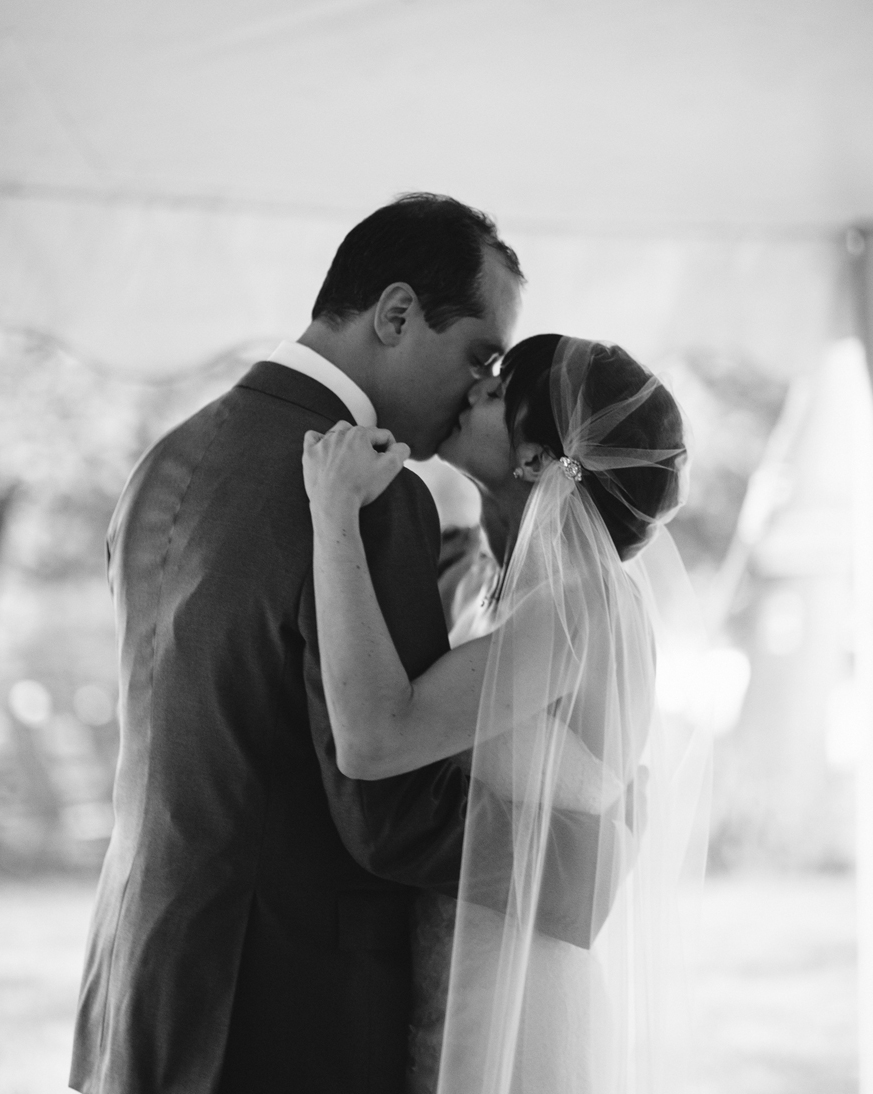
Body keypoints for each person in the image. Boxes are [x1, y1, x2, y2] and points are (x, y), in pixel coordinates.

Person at [68, 193, 524, 1094]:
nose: (481, 389)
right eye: (480, 354)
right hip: (282, 1012)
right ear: (396, 313)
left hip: (138, 984)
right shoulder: (377, 501)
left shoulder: (163, 459)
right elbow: (384, 810)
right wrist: (574, 849)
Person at [303, 334, 711, 1093]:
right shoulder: (517, 587)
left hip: (517, 1009)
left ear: (533, 457)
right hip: (460, 971)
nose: (471, 391)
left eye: (496, 390)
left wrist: (335, 517)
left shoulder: (578, 602)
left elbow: (378, 737)